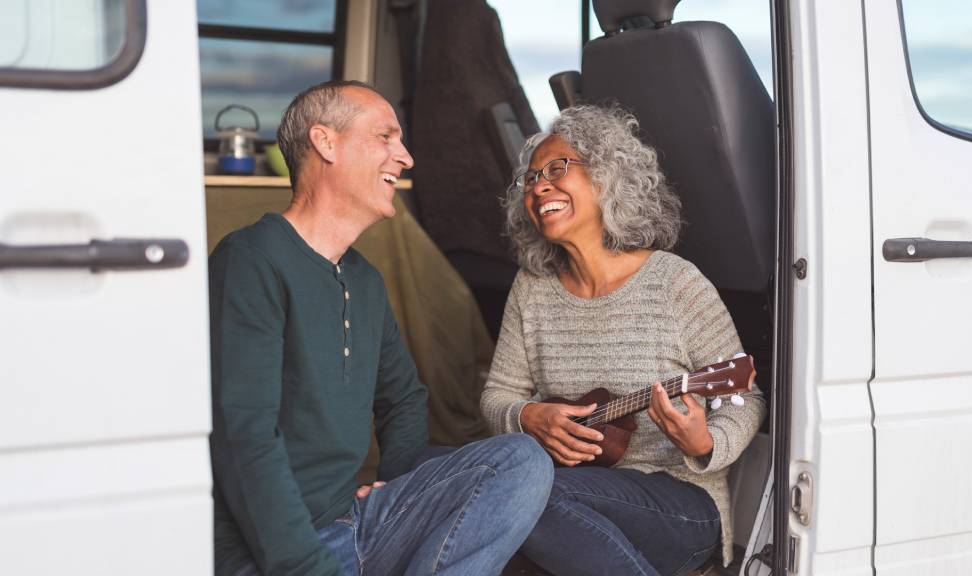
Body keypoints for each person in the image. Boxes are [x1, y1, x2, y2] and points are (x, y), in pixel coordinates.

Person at [209, 79, 553, 576]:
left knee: (521, 460)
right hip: (273, 557)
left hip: (354, 526)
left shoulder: (363, 280)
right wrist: (308, 566)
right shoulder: (251, 261)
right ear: (325, 143)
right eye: (385, 137)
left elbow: (404, 398)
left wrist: (397, 484)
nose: (406, 157)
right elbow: (245, 438)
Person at [480, 105, 766, 575]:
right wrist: (527, 415)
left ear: (607, 178)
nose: (538, 186)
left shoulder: (675, 283)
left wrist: (703, 443)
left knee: (517, 493)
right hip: (572, 496)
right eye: (530, 179)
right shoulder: (532, 288)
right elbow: (498, 396)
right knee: (446, 474)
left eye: (557, 169)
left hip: (679, 504)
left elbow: (744, 395)